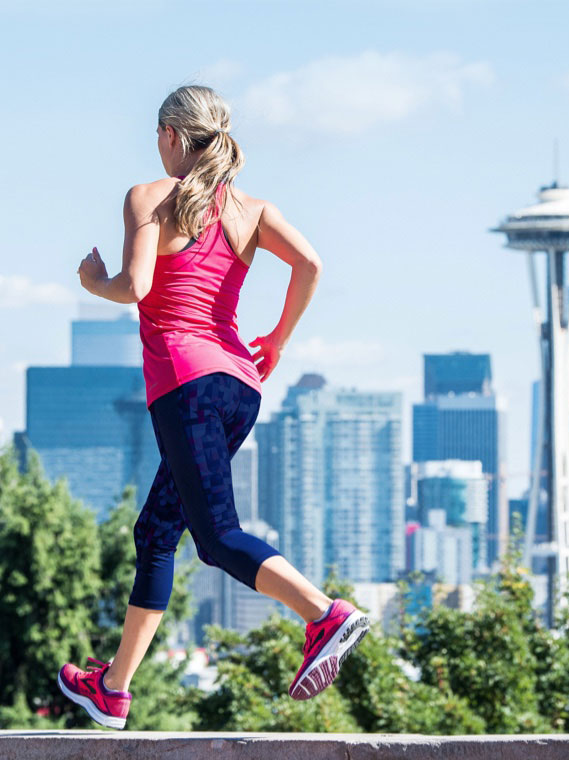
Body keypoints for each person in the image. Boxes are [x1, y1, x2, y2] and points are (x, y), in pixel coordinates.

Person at [57, 85, 369, 730]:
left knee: (217, 536)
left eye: (157, 136)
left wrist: (92, 282)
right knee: (157, 532)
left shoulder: (148, 197)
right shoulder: (251, 209)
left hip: (185, 383)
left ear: (172, 135)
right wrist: (277, 341)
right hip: (239, 387)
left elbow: (135, 287)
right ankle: (113, 689)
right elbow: (310, 263)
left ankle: (324, 613)